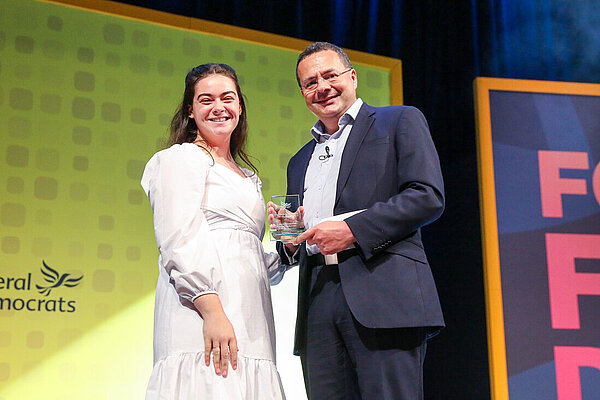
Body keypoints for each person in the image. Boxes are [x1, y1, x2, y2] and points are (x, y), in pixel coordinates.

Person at [268, 42, 445, 400]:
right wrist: (289, 239)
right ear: (303, 93)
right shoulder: (299, 159)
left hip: (383, 293)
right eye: (310, 82)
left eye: (330, 75)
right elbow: (300, 238)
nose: (322, 87)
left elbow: (427, 195)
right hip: (317, 301)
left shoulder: (399, 120)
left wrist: (352, 230)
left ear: (352, 77)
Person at [141, 63, 286, 400]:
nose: (218, 107)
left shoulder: (248, 176)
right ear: (190, 111)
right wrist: (212, 310)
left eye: (227, 98)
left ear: (239, 107)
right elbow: (179, 238)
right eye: (206, 100)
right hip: (201, 308)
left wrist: (287, 249)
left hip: (252, 313)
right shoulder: (180, 159)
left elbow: (245, 254)